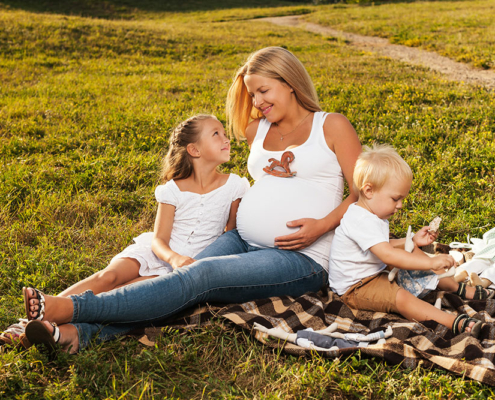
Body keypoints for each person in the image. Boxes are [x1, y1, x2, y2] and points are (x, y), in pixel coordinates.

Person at [22, 46, 362, 354]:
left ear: (290, 82)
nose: (257, 101)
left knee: (201, 278)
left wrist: (321, 226)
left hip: (300, 256)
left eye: (263, 91)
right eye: (252, 93)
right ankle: (76, 335)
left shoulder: (331, 126)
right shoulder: (257, 130)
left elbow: (363, 192)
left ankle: (74, 308)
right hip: (241, 240)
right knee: (180, 286)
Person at [3, 114, 249, 348]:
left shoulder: (235, 186)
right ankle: (33, 320)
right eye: (216, 133)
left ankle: (55, 331)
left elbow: (230, 236)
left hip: (189, 265)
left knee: (124, 296)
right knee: (107, 278)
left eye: (224, 133)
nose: (226, 139)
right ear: (194, 150)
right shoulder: (173, 190)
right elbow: (159, 240)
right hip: (159, 252)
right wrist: (173, 257)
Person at [328, 144, 493, 338]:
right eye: (395, 199)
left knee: (413, 250)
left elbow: (383, 245)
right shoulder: (360, 220)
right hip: (356, 287)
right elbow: (387, 254)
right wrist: (430, 262)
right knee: (401, 298)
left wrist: (413, 240)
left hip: (374, 271)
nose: (400, 206)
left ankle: (456, 287)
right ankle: (451, 322)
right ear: (369, 190)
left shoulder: (372, 214)